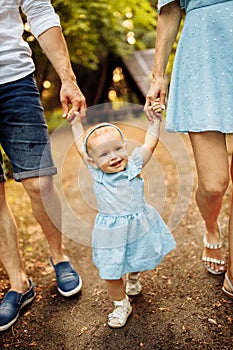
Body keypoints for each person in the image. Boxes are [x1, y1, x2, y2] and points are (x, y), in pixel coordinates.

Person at [0, 0, 87, 332]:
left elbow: (39, 11)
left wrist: (67, 77)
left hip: (13, 79)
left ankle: (59, 256)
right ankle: (18, 283)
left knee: (39, 183)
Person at [145, 0, 233, 296]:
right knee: (214, 184)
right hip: (203, 53)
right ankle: (211, 224)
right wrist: (158, 75)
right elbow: (169, 10)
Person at [70, 105, 176, 328]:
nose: (114, 156)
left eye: (117, 149)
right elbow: (81, 147)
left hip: (137, 225)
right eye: (104, 154)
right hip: (110, 232)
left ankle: (134, 278)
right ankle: (120, 304)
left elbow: (150, 143)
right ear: (93, 160)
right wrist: (75, 123)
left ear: (125, 147)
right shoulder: (97, 173)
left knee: (135, 256)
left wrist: (155, 120)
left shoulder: (133, 166)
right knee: (111, 270)